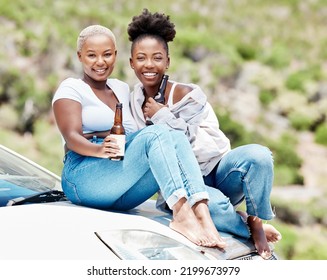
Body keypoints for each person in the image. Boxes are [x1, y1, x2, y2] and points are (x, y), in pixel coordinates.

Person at [51, 24, 227, 249]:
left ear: (115, 55)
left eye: (107, 54)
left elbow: (137, 137)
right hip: (83, 174)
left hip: (118, 181)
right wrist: (98, 149)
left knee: (172, 134)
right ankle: (182, 215)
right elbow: (72, 136)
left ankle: (203, 215)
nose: (100, 61)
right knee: (159, 132)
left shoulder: (121, 89)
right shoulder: (72, 88)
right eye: (91, 55)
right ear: (80, 56)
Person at [128, 9, 282, 259]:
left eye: (157, 58)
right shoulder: (131, 101)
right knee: (216, 208)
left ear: (168, 61)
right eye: (141, 58)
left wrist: (160, 114)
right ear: (132, 62)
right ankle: (242, 225)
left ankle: (255, 220)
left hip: (218, 170)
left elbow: (184, 143)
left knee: (259, 156)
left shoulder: (189, 94)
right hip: (184, 184)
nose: (149, 65)